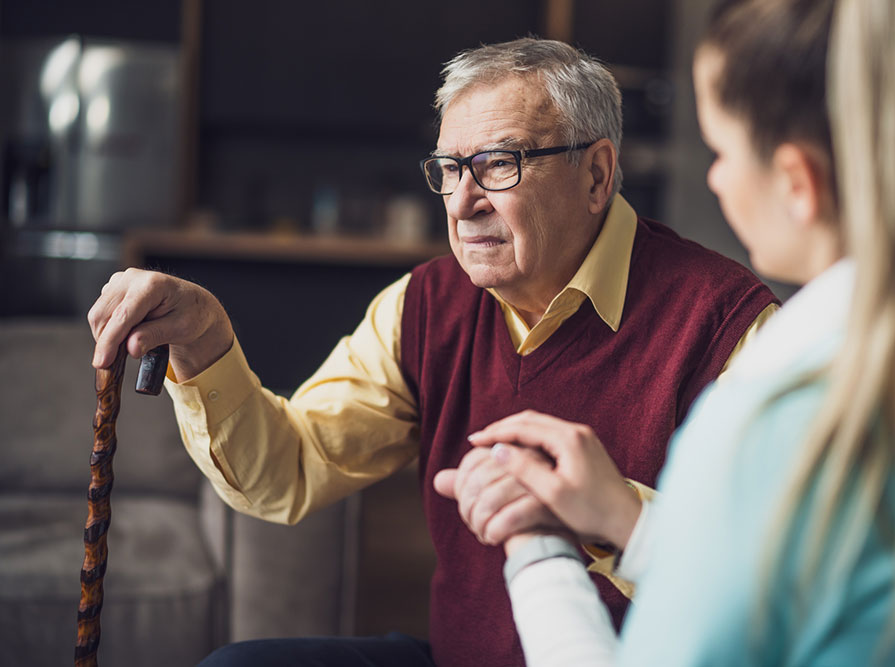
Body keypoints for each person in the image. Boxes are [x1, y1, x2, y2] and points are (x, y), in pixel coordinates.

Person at [86, 38, 778, 667]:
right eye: (449, 168)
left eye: (498, 164)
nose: (463, 201)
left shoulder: (731, 328)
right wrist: (207, 342)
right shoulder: (423, 304)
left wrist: (607, 509)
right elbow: (290, 469)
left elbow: (777, 582)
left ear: (597, 175)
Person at [449, 0, 895, 664]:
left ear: (798, 182)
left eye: (721, 150)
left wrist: (537, 545)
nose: (715, 177)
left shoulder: (772, 413)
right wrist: (628, 520)